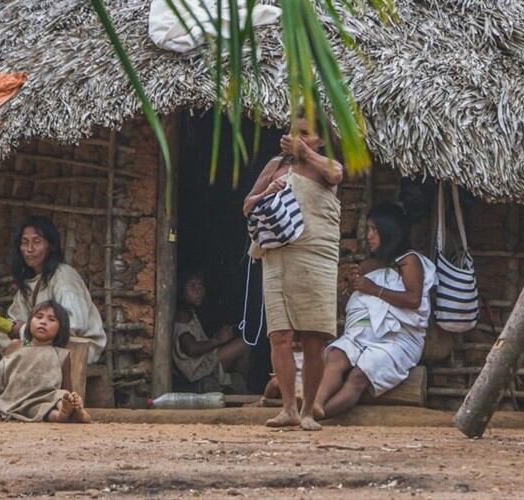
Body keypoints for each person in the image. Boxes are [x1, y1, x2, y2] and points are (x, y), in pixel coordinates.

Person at [243, 109, 343, 431]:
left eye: (306, 134)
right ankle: (288, 409)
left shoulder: (325, 168)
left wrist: (305, 154)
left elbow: (338, 174)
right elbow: (247, 205)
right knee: (280, 336)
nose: (297, 139)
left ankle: (308, 411)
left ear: (321, 142)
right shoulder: (276, 166)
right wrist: (266, 194)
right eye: (294, 133)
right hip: (278, 257)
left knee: (314, 337)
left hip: (316, 257)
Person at [0, 216, 106, 413]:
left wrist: (22, 329)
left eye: (37, 242)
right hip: (43, 340)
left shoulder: (64, 277)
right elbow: (15, 320)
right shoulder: (30, 283)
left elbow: (74, 324)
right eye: (25, 243)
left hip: (75, 344)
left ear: (50, 245)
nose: (29, 249)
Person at [313, 203, 437, 419]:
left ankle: (318, 416)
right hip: (363, 334)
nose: (369, 236)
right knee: (336, 356)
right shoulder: (371, 264)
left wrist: (373, 289)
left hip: (398, 339)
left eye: (375, 230)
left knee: (359, 376)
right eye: (368, 229)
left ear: (390, 232)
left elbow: (413, 299)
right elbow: (358, 304)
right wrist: (354, 286)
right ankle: (314, 405)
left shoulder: (409, 261)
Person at [0, 300, 91, 423]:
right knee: (42, 411)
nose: (43, 322)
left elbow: (66, 386)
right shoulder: (16, 346)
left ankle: (68, 412)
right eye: (39, 317)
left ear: (60, 329)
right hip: (17, 402)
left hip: (47, 399)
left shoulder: (61, 354)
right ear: (29, 322)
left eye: (51, 319)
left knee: (58, 398)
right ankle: (66, 415)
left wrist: (70, 399)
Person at [173, 272, 250, 391]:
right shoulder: (182, 315)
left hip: (200, 363)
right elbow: (191, 349)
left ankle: (237, 386)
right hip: (197, 368)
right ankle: (241, 388)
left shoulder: (189, 311)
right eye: (192, 287)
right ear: (180, 290)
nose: (198, 291)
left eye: (201, 286)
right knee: (243, 345)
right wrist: (217, 340)